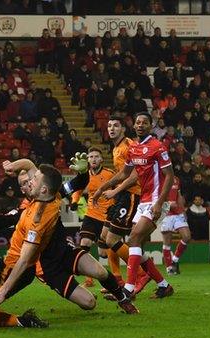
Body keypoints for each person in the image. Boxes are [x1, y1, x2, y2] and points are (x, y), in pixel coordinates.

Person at [0, 162, 137, 328]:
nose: (29, 182)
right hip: (44, 265)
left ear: (43, 188)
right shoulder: (48, 198)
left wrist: (3, 291)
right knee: (89, 302)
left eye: (32, 179)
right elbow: (9, 218)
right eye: (23, 182)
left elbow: (24, 259)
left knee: (98, 272)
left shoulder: (39, 216)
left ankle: (122, 298)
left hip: (41, 258)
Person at [92, 112, 175, 299]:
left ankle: (127, 290)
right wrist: (101, 188)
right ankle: (163, 285)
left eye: (144, 122)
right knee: (136, 246)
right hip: (143, 202)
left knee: (134, 240)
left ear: (151, 125)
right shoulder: (134, 148)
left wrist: (160, 203)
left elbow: (169, 176)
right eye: (137, 122)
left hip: (156, 201)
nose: (140, 125)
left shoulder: (158, 147)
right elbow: (124, 174)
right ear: (134, 125)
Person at [67, 115, 150, 296]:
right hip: (103, 207)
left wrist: (113, 191)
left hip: (130, 195)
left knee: (113, 240)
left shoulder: (127, 146)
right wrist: (82, 198)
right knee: (105, 242)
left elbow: (134, 174)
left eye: (116, 126)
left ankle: (142, 274)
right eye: (109, 125)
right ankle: (121, 278)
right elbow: (80, 188)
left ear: (123, 129)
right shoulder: (116, 149)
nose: (111, 128)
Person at [67, 148, 116, 286]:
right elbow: (78, 189)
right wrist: (74, 201)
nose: (93, 159)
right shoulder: (84, 175)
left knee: (103, 254)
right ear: (87, 160)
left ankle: (119, 276)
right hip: (91, 215)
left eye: (96, 156)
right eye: (91, 156)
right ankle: (89, 280)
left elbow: (119, 190)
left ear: (101, 159)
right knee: (84, 244)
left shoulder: (110, 174)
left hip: (107, 216)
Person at [160, 176, 192, 275]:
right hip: (165, 213)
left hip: (178, 213)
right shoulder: (158, 178)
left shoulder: (176, 179)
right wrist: (168, 204)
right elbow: (155, 197)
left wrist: (183, 210)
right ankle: (169, 268)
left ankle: (174, 260)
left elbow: (179, 195)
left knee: (187, 237)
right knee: (167, 242)